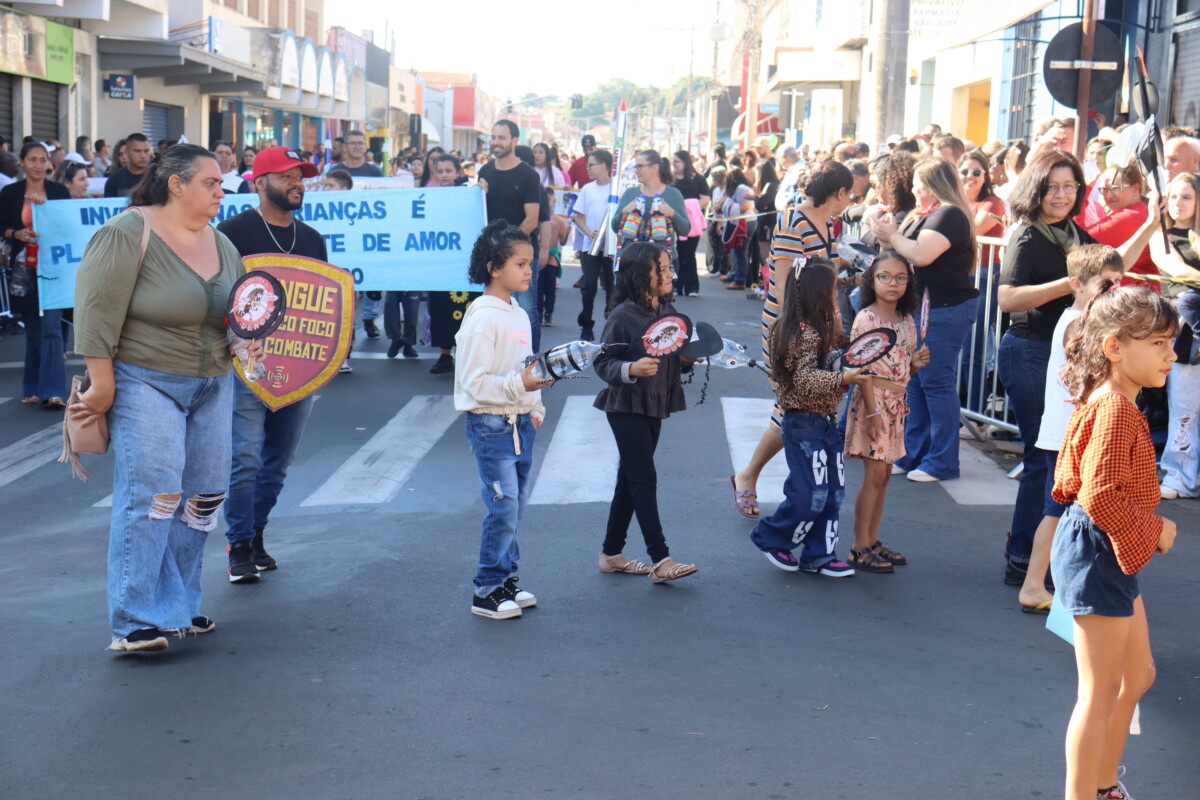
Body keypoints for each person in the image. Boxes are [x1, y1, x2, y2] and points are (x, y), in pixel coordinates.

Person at [70, 143, 247, 651]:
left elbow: (236, 310)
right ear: (176, 184)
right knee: (154, 495)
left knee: (203, 498)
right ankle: (133, 620)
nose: (220, 192)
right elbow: (95, 310)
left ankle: (180, 605)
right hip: (144, 379)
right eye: (210, 183)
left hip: (213, 382)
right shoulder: (129, 231)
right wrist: (102, 383)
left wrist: (244, 339)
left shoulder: (221, 242)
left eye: (220, 184)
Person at [1050, 286, 1177, 800]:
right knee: (1099, 693)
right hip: (1097, 549)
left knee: (1136, 676)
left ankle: (1103, 785)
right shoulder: (1116, 409)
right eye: (1159, 343)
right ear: (1114, 347)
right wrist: (1156, 530)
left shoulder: (1115, 401)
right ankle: (1088, 792)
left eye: (1172, 343)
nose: (1171, 355)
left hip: (1101, 548)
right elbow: (1099, 496)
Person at [216, 147, 323, 583]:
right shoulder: (231, 234)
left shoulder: (312, 239)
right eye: (286, 176)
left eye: (300, 176)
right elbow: (217, 296)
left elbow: (324, 307)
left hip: (299, 368)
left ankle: (256, 534)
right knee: (244, 457)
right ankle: (238, 545)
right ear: (260, 183)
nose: (297, 182)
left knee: (277, 461)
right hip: (246, 366)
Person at [995, 150, 1097, 586]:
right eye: (1052, 187)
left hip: (1061, 357)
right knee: (1043, 457)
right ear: (1036, 189)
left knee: (1056, 458)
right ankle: (1023, 559)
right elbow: (1007, 299)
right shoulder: (1026, 235)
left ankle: (1039, 558)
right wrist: (1068, 284)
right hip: (1029, 350)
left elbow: (1111, 263)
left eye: (1069, 186)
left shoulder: (1076, 234)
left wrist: (1152, 221)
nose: (1061, 195)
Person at [731, 160, 853, 519]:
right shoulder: (793, 222)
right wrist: (804, 334)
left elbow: (824, 280)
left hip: (816, 328)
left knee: (797, 403)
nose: (850, 200)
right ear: (840, 192)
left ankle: (772, 481)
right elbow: (783, 287)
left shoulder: (826, 225)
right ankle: (756, 477)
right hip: (789, 328)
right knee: (792, 402)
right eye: (850, 194)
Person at [1018, 244, 1125, 613]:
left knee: (1074, 511)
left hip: (1074, 434)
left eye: (1118, 282)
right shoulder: (1077, 323)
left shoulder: (1086, 320)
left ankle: (1062, 583)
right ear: (1078, 283)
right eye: (1106, 283)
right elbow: (1084, 376)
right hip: (1067, 436)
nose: (1114, 290)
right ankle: (1034, 584)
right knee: (1058, 511)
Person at [748, 258, 869, 576]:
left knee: (833, 492)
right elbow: (803, 379)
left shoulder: (820, 325)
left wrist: (854, 280)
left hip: (826, 421)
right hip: (803, 422)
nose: (836, 295)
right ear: (818, 294)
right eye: (832, 289)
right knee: (811, 493)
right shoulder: (797, 332)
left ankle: (819, 554)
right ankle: (771, 537)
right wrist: (843, 377)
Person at [455, 219, 551, 620]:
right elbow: (474, 382)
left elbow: (525, 366)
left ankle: (506, 578)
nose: (529, 271)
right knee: (503, 505)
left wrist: (535, 405)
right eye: (520, 264)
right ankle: (487, 588)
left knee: (515, 505)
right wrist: (520, 386)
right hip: (490, 424)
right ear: (494, 268)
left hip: (521, 422)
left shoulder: (517, 311)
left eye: (529, 263)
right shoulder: (482, 317)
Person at [592, 242, 698, 583]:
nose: (670, 275)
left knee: (630, 479)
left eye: (669, 268)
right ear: (640, 274)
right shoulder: (623, 315)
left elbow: (673, 355)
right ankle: (660, 559)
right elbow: (602, 360)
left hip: (653, 404)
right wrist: (631, 369)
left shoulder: (667, 309)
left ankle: (611, 553)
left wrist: (687, 359)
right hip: (625, 406)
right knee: (643, 477)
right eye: (662, 270)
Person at [868, 157, 978, 483]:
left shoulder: (949, 214)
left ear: (933, 184)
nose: (914, 190)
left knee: (936, 382)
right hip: (922, 308)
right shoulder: (923, 214)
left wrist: (892, 234)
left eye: (918, 183)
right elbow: (900, 253)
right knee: (915, 381)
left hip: (944, 308)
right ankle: (913, 452)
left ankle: (942, 461)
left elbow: (921, 254)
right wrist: (885, 234)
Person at [845, 252, 930, 573]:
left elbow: (902, 366)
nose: (893, 283)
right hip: (874, 403)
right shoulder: (866, 319)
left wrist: (915, 363)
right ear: (872, 280)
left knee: (883, 478)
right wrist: (871, 413)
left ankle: (872, 540)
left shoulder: (906, 320)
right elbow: (862, 370)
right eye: (885, 277)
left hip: (896, 404)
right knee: (874, 476)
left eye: (900, 277)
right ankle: (858, 546)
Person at [2, 141, 71, 407]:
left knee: (52, 329)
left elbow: (67, 226)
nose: (39, 165)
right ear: (22, 163)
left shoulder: (58, 192)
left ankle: (54, 391)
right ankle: (32, 386)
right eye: (32, 159)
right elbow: (1, 225)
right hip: (24, 270)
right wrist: (14, 233)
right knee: (33, 332)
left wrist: (47, 212)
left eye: (43, 160)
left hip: (54, 268)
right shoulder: (10, 193)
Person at [1151, 174, 1200, 500]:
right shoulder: (1162, 235)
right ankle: (1180, 476)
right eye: (1174, 196)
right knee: (1184, 408)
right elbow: (1174, 268)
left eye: (1187, 197)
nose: (1178, 203)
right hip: (1183, 333)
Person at [478, 120, 543, 350]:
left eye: (501, 138)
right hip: (492, 256)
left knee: (527, 311)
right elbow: (479, 212)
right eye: (493, 137)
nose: (495, 142)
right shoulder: (485, 171)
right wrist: (477, 193)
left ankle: (531, 362)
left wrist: (506, 248)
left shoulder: (528, 175)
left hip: (520, 255)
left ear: (514, 141)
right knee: (493, 309)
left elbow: (532, 219)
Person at [613, 150, 691, 274]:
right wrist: (623, 212)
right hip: (631, 261)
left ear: (654, 167)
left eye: (639, 166)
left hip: (662, 263)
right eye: (635, 167)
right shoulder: (630, 193)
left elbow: (685, 230)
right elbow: (615, 227)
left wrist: (672, 214)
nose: (636, 171)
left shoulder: (673, 194)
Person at [1081, 164, 1157, 290]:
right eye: (1104, 190)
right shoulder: (1142, 210)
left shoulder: (1132, 215)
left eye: (1115, 188)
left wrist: (1084, 193)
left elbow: (1079, 239)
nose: (1108, 196)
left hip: (1134, 295)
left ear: (1136, 188)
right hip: (1138, 292)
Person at [571, 148, 615, 340]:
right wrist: (588, 232)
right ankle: (586, 326)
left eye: (591, 165)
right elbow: (578, 218)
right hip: (590, 246)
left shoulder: (616, 189)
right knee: (589, 286)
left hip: (611, 247)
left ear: (604, 166)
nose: (587, 168)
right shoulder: (587, 189)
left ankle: (611, 325)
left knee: (612, 287)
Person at [671, 149, 711, 297]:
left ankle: (692, 286)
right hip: (675, 220)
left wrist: (689, 208)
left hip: (693, 222)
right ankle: (677, 285)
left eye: (677, 161)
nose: (674, 164)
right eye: (673, 162)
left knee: (689, 253)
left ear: (685, 162)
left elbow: (705, 199)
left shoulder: (698, 179)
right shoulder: (671, 179)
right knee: (677, 253)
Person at [717, 167, 755, 290]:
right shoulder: (741, 188)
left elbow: (746, 205)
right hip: (742, 222)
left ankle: (740, 280)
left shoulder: (741, 188)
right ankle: (737, 276)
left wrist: (731, 209)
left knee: (740, 252)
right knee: (739, 252)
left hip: (745, 223)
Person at [103, 132, 153, 198]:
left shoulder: (160, 177)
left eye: (146, 151)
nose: (143, 156)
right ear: (127, 151)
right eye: (137, 151)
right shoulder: (114, 180)